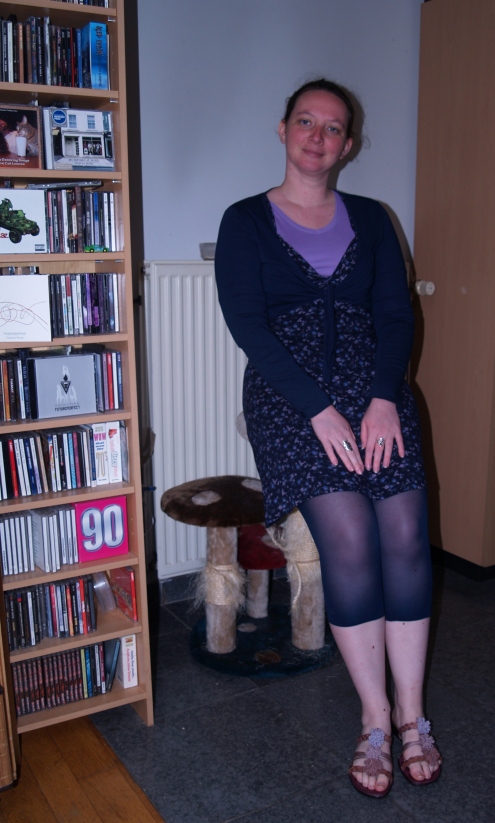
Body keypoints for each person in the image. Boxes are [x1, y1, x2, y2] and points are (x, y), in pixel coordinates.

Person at [214, 78, 442, 798]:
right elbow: (248, 324)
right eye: (306, 121)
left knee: (405, 536)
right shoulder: (244, 220)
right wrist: (318, 409)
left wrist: (383, 398)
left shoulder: (372, 218)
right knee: (347, 540)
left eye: (333, 127)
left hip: (375, 394)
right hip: (292, 401)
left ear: (348, 145)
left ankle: (411, 715)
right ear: (282, 130)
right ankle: (373, 717)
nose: (318, 136)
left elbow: (395, 315)